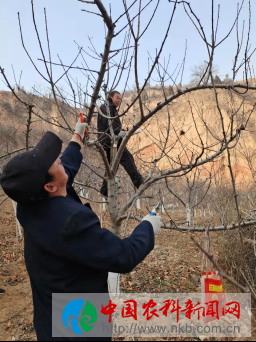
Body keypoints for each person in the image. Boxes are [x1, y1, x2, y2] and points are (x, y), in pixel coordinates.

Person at [0, 119, 162, 341]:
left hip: (51, 319)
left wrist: (77, 139)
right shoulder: (70, 221)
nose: (58, 159)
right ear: (49, 186)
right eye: (53, 162)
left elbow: (65, 169)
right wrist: (148, 227)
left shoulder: (31, 203)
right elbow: (123, 256)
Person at [97, 91, 144, 198]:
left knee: (112, 166)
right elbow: (108, 123)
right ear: (110, 97)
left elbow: (113, 125)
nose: (119, 100)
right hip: (110, 140)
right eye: (117, 98)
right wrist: (119, 132)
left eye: (120, 99)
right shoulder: (106, 107)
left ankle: (105, 190)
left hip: (109, 140)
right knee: (128, 158)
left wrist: (122, 131)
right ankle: (139, 182)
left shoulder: (111, 108)